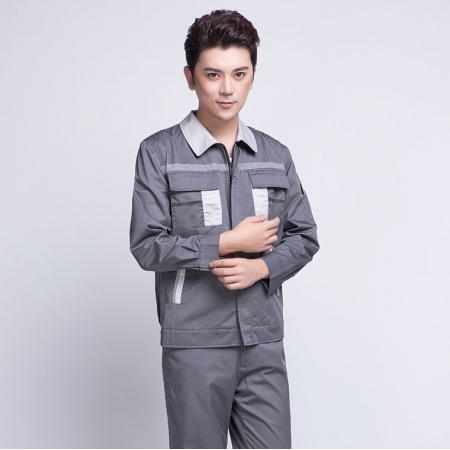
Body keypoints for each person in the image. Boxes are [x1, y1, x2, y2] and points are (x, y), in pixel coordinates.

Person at [130, 9, 319, 449]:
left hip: (262, 340)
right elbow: (147, 245)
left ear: (253, 76)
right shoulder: (159, 153)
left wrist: (261, 268)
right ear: (190, 77)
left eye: (239, 73)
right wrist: (226, 243)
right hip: (194, 344)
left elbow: (305, 236)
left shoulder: (275, 154)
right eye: (213, 74)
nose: (227, 88)